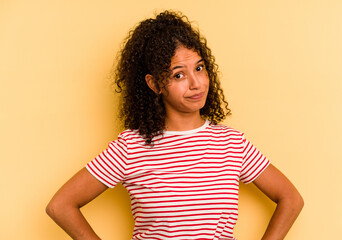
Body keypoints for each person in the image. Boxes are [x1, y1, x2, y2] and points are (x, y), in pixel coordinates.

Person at [46, 10, 303, 240]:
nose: (196, 83)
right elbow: (60, 206)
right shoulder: (131, 147)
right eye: (178, 74)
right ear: (155, 84)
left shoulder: (232, 144)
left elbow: (291, 199)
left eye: (200, 68)